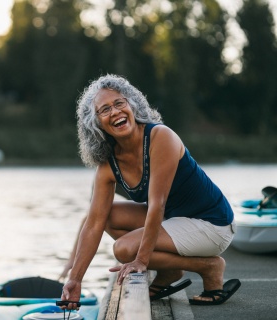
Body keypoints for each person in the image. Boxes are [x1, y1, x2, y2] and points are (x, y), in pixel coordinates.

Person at [59, 74, 241, 310]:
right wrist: (75, 278)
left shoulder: (160, 137)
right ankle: (171, 270)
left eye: (119, 103)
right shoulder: (108, 164)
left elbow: (158, 204)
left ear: (132, 105)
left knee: (124, 249)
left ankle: (208, 266)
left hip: (211, 225)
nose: (115, 112)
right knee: (108, 217)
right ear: (95, 123)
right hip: (175, 220)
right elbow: (94, 223)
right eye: (105, 110)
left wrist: (141, 260)